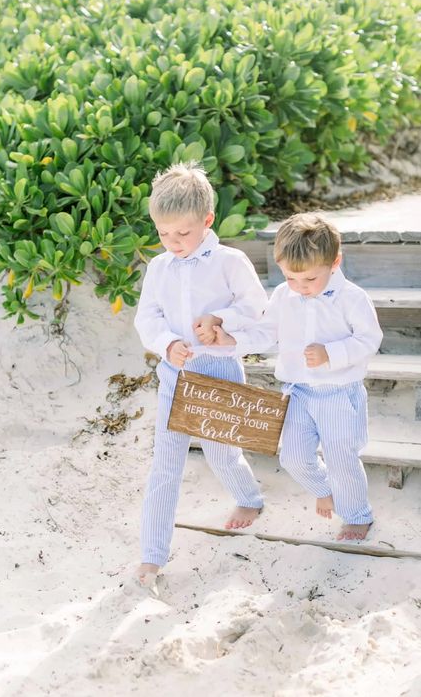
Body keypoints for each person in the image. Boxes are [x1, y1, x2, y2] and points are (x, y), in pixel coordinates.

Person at [203, 213, 383, 541]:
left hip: (339, 393)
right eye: (291, 279)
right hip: (298, 392)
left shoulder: (352, 298)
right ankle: (324, 489)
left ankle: (357, 515)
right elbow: (266, 332)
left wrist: (332, 353)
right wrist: (233, 341)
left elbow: (370, 340)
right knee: (293, 456)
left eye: (310, 280)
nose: (300, 288)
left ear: (334, 262)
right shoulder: (285, 297)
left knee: (342, 457)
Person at [134, 162, 268, 582]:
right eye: (163, 233)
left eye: (183, 233)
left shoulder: (230, 261)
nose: (172, 242)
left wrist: (221, 319)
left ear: (207, 221)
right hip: (175, 376)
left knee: (221, 452)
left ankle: (249, 497)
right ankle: (152, 554)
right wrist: (167, 345)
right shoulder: (159, 268)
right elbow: (147, 318)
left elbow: (257, 309)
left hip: (221, 372)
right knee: (165, 465)